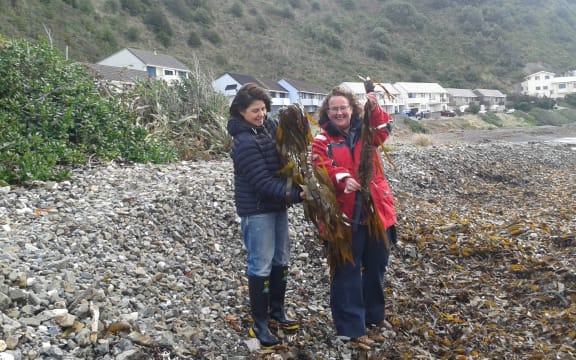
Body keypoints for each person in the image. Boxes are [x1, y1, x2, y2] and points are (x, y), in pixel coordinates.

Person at [310, 86, 397, 349]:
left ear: (352, 109)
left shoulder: (366, 132)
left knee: (376, 265)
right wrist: (342, 178)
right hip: (343, 216)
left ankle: (373, 316)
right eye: (334, 109)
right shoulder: (322, 139)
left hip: (376, 211)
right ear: (327, 112)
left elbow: (384, 130)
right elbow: (318, 163)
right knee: (346, 270)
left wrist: (375, 106)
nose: (339, 112)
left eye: (343, 108)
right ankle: (351, 327)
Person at [226, 83, 304, 349]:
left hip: (277, 206)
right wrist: (298, 195)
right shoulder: (243, 143)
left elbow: (286, 158)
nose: (261, 114)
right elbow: (262, 183)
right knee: (260, 264)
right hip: (257, 211)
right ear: (240, 112)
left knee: (281, 259)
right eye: (254, 111)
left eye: (263, 109)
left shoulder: (269, 128)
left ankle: (277, 311)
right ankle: (259, 322)